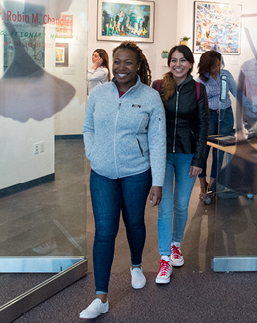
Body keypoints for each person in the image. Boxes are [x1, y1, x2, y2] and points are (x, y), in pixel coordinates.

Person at [80, 41, 166, 319]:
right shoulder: (100, 94)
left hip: (136, 173)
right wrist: (93, 153)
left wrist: (158, 180)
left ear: (138, 65)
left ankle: (136, 264)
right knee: (104, 232)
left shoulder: (151, 97)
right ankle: (101, 296)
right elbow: (88, 127)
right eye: (117, 61)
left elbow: (157, 140)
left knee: (134, 222)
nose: (121, 67)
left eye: (128, 62)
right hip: (102, 173)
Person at [153, 45, 209, 285]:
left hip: (187, 155)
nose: (178, 64)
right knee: (165, 207)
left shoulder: (198, 89)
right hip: (161, 154)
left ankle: (176, 245)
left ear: (190, 64)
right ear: (169, 63)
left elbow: (203, 125)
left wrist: (199, 160)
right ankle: (164, 257)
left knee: (181, 205)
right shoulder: (157, 87)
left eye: (183, 60)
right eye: (174, 60)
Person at [196, 50, 256, 199]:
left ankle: (213, 185)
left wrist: (253, 108)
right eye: (214, 66)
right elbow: (197, 103)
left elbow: (237, 93)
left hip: (226, 116)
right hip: (208, 117)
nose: (218, 68)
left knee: (220, 152)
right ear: (207, 66)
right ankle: (203, 186)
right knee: (204, 152)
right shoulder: (200, 80)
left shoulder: (226, 75)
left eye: (219, 64)